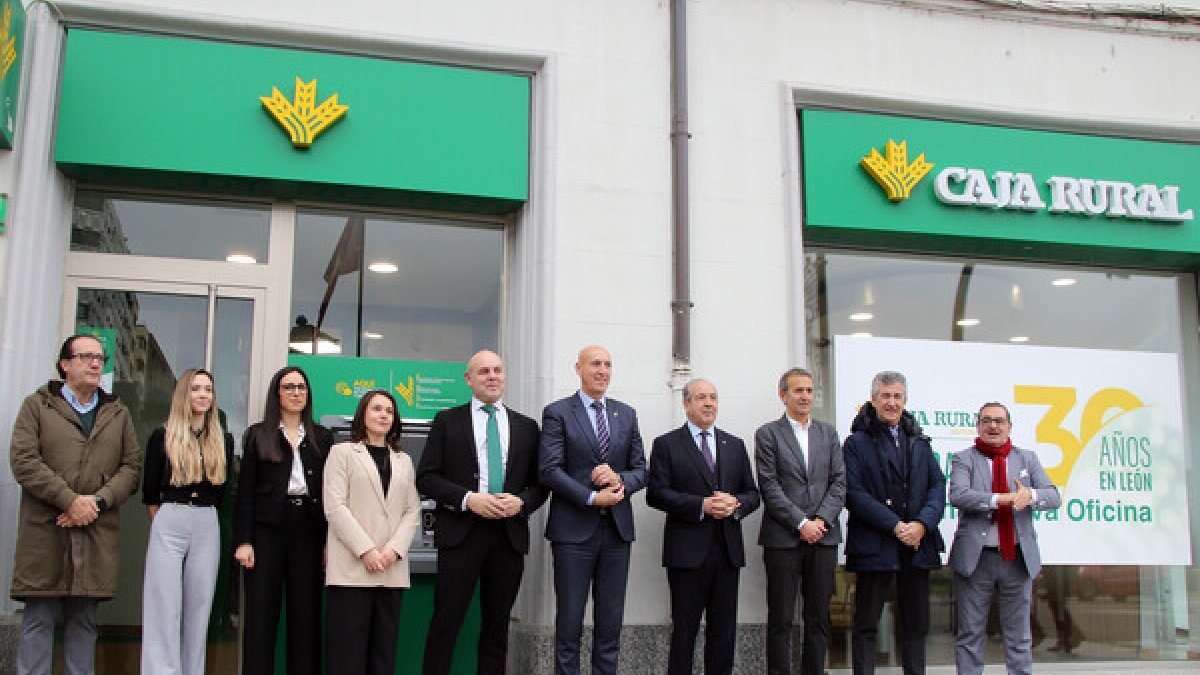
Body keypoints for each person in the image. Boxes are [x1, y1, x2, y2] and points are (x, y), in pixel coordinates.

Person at [9, 334, 141, 675]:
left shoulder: (118, 413)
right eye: (86, 357)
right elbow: (24, 461)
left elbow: (131, 467)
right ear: (65, 365)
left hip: (95, 534)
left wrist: (95, 502)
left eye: (100, 358)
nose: (96, 364)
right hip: (45, 533)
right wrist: (69, 501)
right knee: (38, 619)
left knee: (83, 622)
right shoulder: (37, 406)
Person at [416, 350, 548, 675]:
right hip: (461, 534)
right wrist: (466, 499)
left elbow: (541, 483)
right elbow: (427, 477)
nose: (492, 376)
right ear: (469, 379)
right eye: (484, 371)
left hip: (508, 537)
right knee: (446, 623)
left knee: (496, 628)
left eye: (498, 370)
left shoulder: (528, 427)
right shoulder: (447, 421)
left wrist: (523, 503)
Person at [539, 345, 647, 675]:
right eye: (595, 364)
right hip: (574, 532)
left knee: (610, 625)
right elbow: (549, 469)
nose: (602, 370)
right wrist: (590, 497)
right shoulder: (558, 412)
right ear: (578, 369)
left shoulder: (626, 414)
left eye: (608, 365)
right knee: (570, 623)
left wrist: (621, 479)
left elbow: (643, 470)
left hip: (616, 532)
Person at [646, 378, 760, 675]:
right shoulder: (667, 444)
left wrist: (735, 504)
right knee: (685, 633)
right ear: (686, 404)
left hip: (727, 553)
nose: (709, 403)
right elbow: (656, 493)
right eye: (701, 398)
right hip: (687, 556)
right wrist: (702, 505)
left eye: (713, 397)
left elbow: (753, 494)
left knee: (724, 635)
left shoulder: (734, 445)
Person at [842, 371, 946, 675]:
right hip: (875, 544)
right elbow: (854, 493)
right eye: (885, 396)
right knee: (866, 625)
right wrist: (896, 526)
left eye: (897, 396)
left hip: (918, 544)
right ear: (873, 400)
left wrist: (922, 525)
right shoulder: (856, 443)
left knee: (915, 626)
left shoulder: (919, 441)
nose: (891, 402)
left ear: (905, 400)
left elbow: (937, 487)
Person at [233, 365, 334, 675]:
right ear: (277, 392)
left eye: (301, 387)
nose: (296, 393)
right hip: (267, 532)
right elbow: (245, 492)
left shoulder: (322, 437)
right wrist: (244, 541)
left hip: (309, 530)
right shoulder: (257, 435)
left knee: (305, 616)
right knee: (261, 615)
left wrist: (330, 543)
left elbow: (332, 496)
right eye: (289, 387)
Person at [948, 402, 1061, 675]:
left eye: (999, 421)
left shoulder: (1027, 459)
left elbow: (1053, 496)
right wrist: (1000, 499)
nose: (993, 426)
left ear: (1009, 426)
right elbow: (958, 495)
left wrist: (1030, 496)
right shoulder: (964, 458)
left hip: (1016, 558)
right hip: (977, 559)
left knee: (1019, 635)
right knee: (970, 634)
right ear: (978, 426)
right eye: (986, 420)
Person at [141, 368, 234, 675]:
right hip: (170, 517)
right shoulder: (162, 436)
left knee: (200, 605)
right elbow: (151, 492)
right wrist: (166, 523)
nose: (203, 395)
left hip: (207, 521)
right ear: (184, 394)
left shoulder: (224, 440)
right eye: (196, 389)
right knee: (164, 605)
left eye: (208, 389)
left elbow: (221, 492)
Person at [324, 389, 421, 675]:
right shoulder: (342, 453)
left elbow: (411, 510)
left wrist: (392, 551)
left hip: (389, 571)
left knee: (383, 655)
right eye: (376, 409)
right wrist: (366, 550)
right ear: (362, 415)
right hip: (352, 570)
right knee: (347, 657)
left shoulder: (404, 460)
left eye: (389, 411)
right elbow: (335, 507)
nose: (383, 415)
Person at [756, 366, 846, 675]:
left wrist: (820, 520)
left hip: (823, 537)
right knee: (780, 618)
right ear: (783, 395)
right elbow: (769, 486)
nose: (805, 396)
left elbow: (839, 482)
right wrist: (801, 523)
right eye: (798, 390)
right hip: (783, 538)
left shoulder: (828, 432)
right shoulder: (768, 434)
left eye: (809, 390)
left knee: (818, 617)